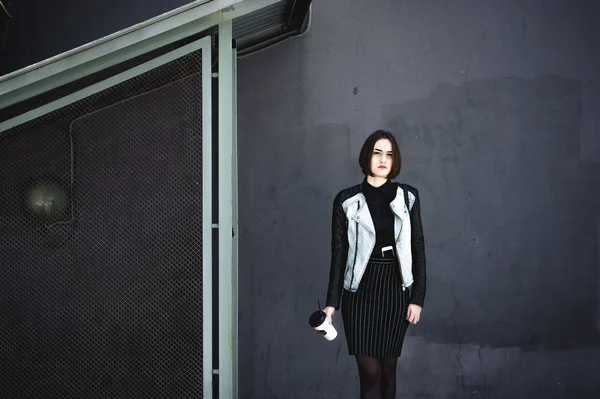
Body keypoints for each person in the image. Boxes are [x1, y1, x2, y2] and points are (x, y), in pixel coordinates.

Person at [322, 130, 426, 399]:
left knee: (389, 370)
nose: (383, 159)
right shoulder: (346, 200)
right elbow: (338, 253)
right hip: (360, 291)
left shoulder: (408, 197)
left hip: (395, 289)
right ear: (367, 156)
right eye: (377, 152)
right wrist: (332, 303)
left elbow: (418, 249)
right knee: (370, 373)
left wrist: (417, 298)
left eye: (389, 154)